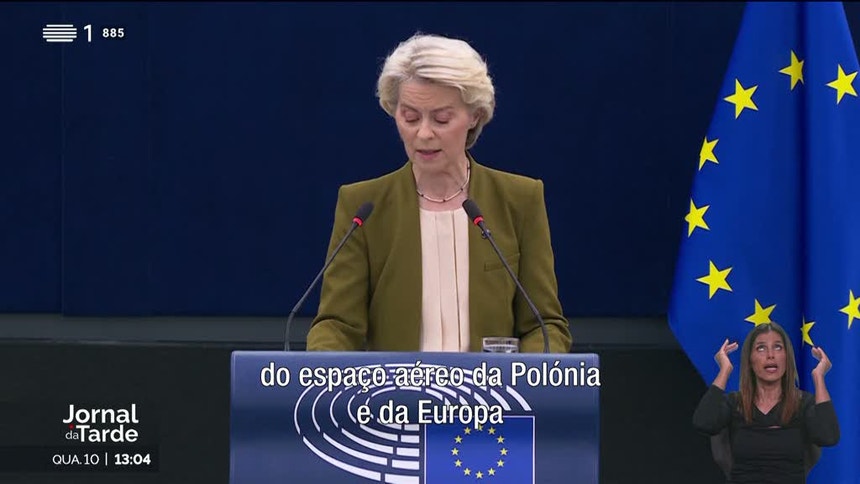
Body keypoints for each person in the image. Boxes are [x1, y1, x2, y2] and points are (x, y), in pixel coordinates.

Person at [305, 33, 572, 353]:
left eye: (441, 119)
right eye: (410, 117)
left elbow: (543, 325)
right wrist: (321, 365)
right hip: (395, 386)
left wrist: (526, 375)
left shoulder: (519, 200)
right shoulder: (363, 207)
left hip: (491, 386)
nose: (424, 133)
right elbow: (337, 324)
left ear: (474, 115)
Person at [692, 322, 840, 483]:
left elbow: (829, 437)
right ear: (750, 360)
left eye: (778, 347)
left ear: (787, 358)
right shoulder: (734, 403)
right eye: (761, 348)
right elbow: (704, 423)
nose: (771, 355)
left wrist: (819, 377)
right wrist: (724, 370)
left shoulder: (803, 404)